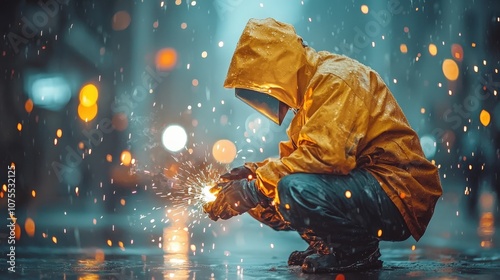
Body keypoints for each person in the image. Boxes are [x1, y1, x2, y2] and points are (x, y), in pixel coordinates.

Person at [203, 18, 442, 273]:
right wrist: (251, 173)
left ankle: (356, 251)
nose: (268, 98)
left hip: (396, 192)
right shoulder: (310, 94)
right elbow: (298, 160)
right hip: (369, 188)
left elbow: (325, 158)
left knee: (288, 188)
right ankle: (330, 246)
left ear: (279, 70)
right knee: (267, 193)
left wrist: (253, 187)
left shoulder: (336, 81)